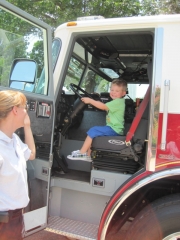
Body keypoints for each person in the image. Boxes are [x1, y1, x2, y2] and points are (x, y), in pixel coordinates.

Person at [0, 90, 36, 240]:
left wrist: (27, 127)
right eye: (25, 107)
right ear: (15, 110)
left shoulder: (14, 139)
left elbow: (31, 154)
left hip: (15, 217)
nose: (27, 111)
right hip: (4, 221)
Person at [67, 78, 127, 161]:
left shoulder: (117, 102)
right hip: (115, 128)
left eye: (117, 91)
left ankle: (82, 153)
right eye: (112, 90)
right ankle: (88, 155)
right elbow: (104, 106)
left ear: (123, 93)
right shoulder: (118, 102)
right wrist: (96, 100)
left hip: (114, 129)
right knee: (96, 133)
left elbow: (103, 106)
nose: (113, 92)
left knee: (93, 130)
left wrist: (91, 101)